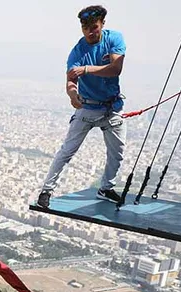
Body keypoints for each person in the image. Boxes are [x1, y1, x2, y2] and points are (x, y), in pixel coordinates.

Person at [37, 5, 127, 208]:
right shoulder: (77, 51)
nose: (90, 32)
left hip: (112, 106)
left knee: (117, 151)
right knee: (67, 151)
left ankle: (106, 188)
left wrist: (86, 69)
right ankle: (46, 191)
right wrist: (72, 94)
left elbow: (115, 69)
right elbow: (70, 81)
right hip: (87, 107)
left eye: (94, 27)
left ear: (102, 24)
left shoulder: (114, 39)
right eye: (86, 28)